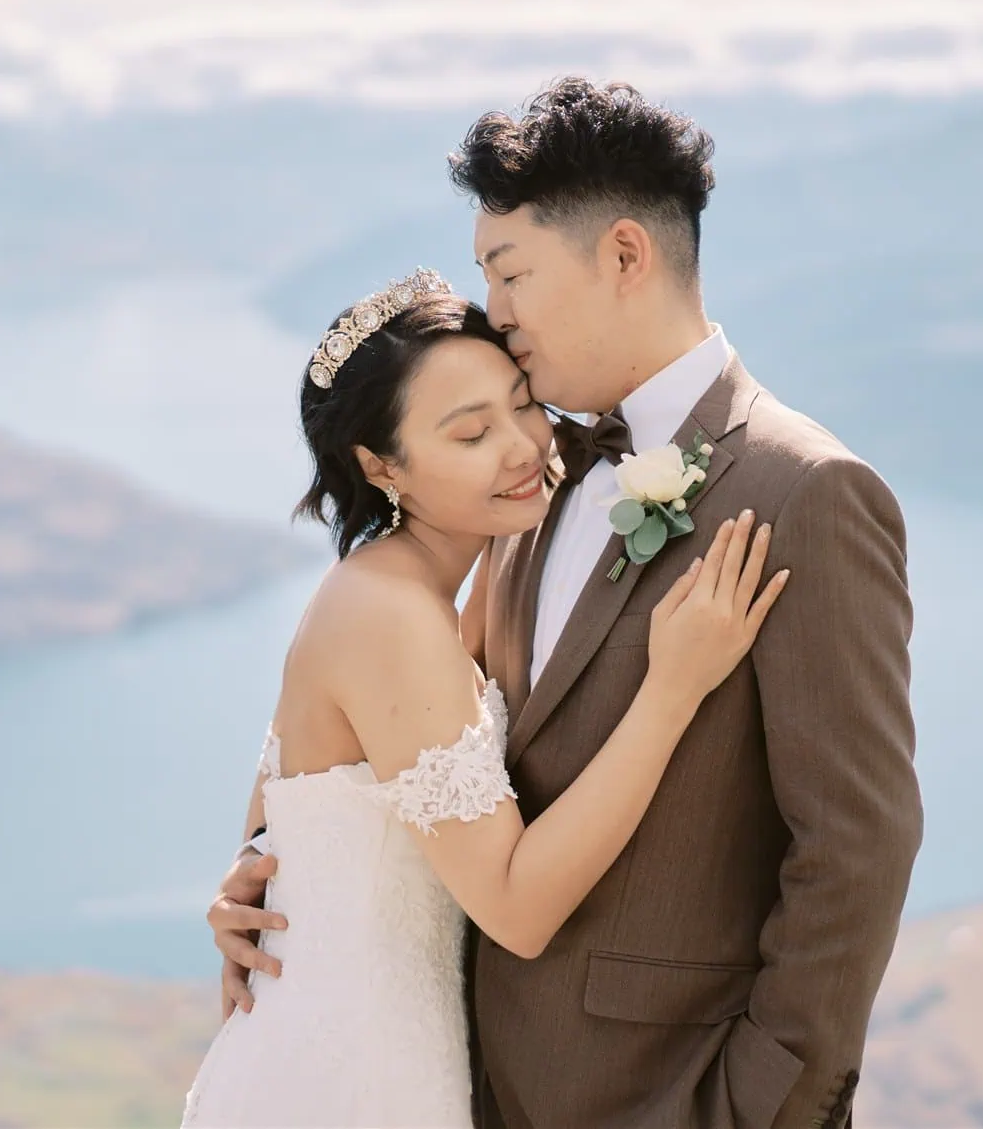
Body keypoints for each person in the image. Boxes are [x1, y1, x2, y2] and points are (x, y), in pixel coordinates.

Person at [209, 78, 924, 1129]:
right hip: (457, 1082)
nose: (495, 312)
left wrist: (761, 1105)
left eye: (509, 273)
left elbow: (856, 845)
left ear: (623, 256)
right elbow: (401, 752)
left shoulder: (804, 493)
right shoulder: (527, 480)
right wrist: (263, 885)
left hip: (669, 1104)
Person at [181, 266, 788, 1128]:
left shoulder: (410, 589)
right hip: (353, 1079)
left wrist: (254, 876)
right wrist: (674, 688)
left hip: (370, 1050)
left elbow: (278, 801)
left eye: (523, 403)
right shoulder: (388, 615)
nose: (522, 446)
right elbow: (517, 907)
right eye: (471, 434)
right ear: (380, 465)